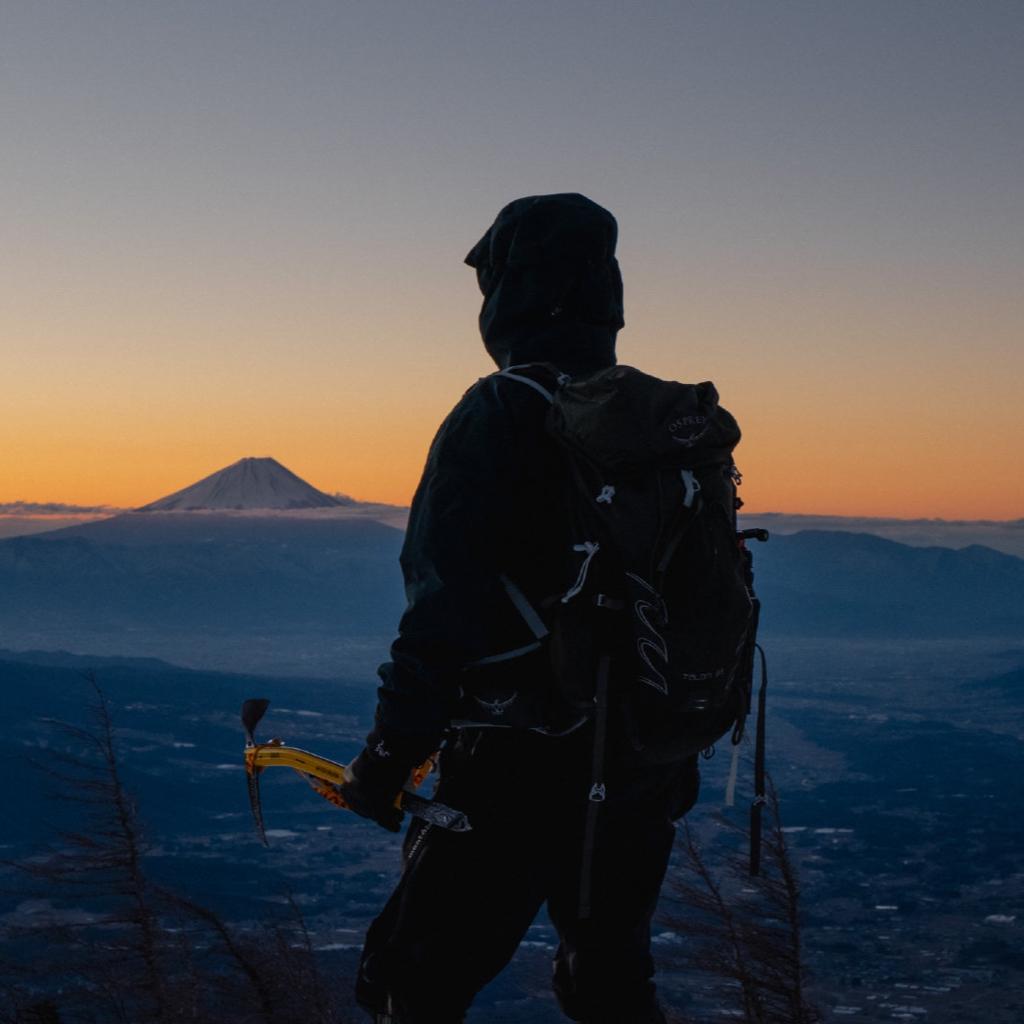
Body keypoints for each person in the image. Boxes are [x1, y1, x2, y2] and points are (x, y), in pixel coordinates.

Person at [340, 194, 701, 1024]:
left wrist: (390, 758)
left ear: (507, 293)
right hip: (641, 760)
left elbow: (443, 607)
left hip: (515, 763)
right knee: (608, 983)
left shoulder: (499, 414)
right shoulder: (653, 420)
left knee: (408, 983)